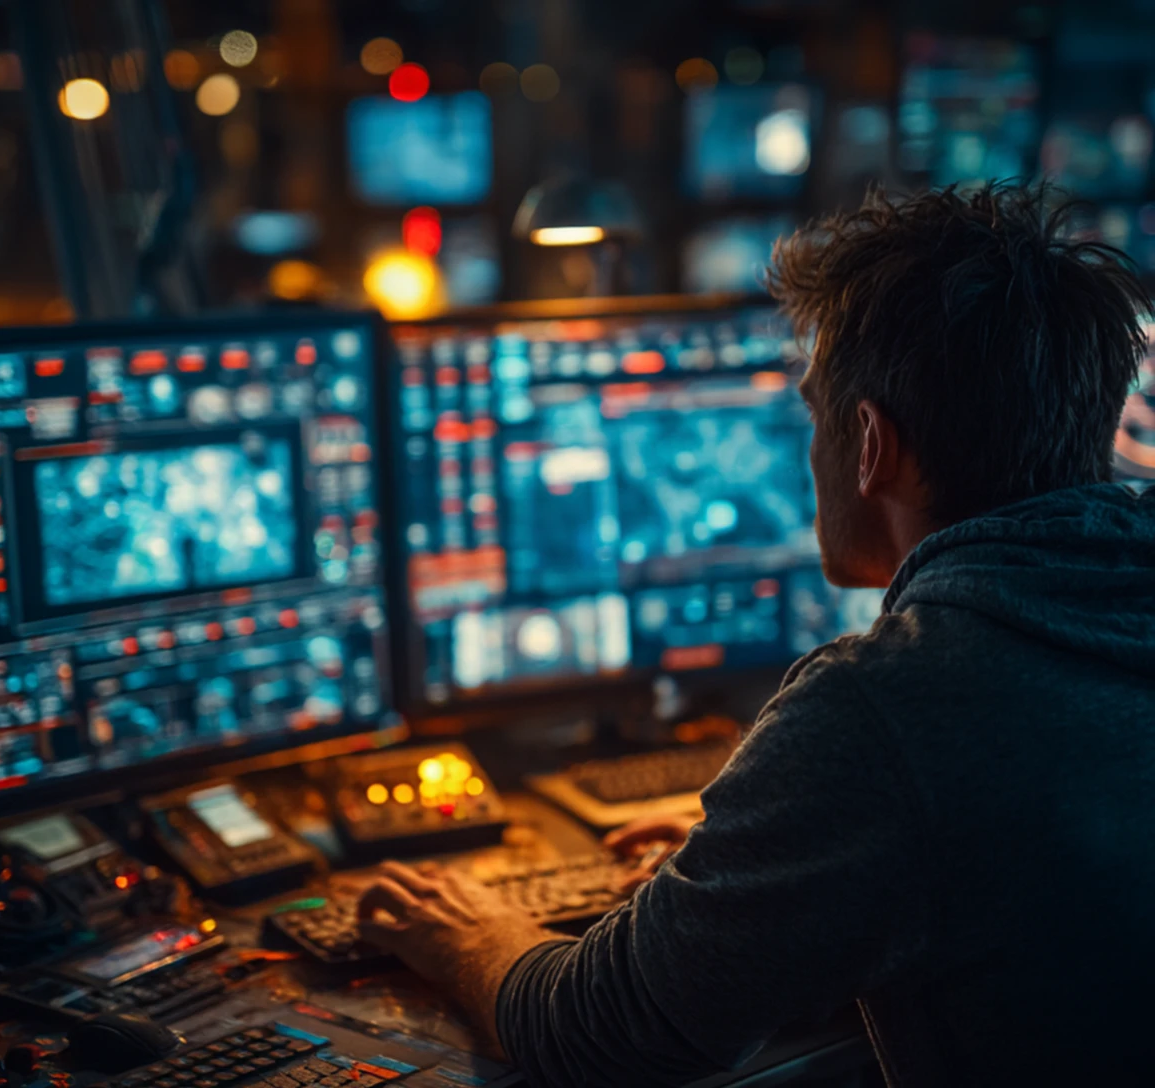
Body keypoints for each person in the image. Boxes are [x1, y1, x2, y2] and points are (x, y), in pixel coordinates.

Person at [355, 182, 1155, 1088]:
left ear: (869, 445)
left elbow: (603, 1035)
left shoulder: (885, 704)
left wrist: (466, 929)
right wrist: (779, 870)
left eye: (812, 417)